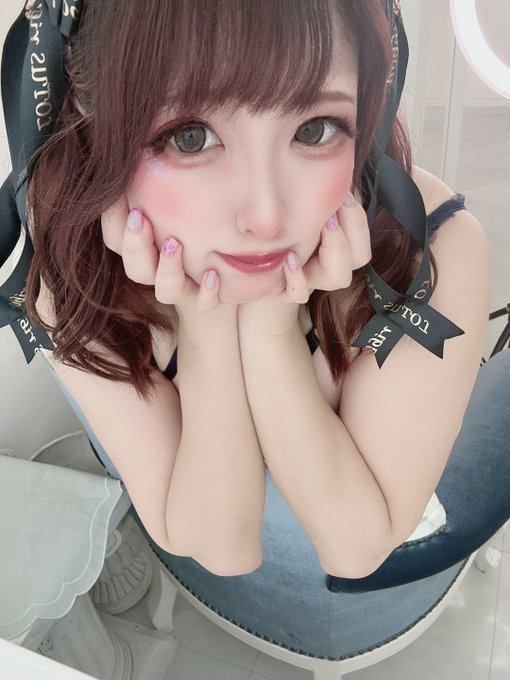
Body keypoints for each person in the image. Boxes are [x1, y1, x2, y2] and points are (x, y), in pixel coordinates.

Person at [11, 0, 489, 579]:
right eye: (190, 137)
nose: (266, 216)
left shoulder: (432, 247)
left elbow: (357, 548)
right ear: (92, 117)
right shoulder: (69, 266)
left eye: (315, 129)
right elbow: (221, 548)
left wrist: (270, 328)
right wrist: (207, 328)